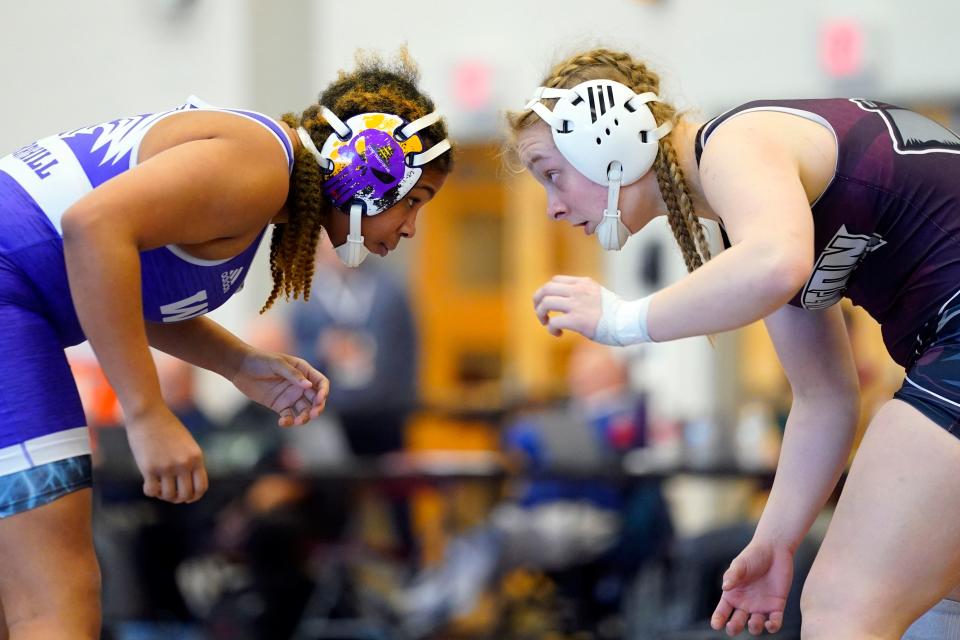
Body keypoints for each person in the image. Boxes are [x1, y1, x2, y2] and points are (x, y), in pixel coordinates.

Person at [508, 47, 960, 638]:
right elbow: (824, 399)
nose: (553, 206)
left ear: (605, 137)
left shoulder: (736, 141)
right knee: (934, 611)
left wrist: (622, 320)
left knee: (844, 608)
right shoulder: (757, 211)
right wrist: (775, 540)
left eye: (552, 173)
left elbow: (775, 265)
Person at [0, 49, 452, 639]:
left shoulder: (257, 175)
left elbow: (117, 279)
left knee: (22, 595)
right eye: (414, 201)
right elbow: (93, 230)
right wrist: (146, 412)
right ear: (371, 167)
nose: (411, 227)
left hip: (18, 294)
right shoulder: (259, 166)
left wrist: (237, 362)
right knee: (55, 599)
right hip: (12, 297)